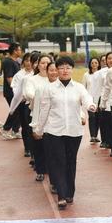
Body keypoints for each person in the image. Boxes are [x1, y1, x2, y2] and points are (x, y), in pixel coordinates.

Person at [33, 57, 95, 210]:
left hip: (74, 131)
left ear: (72, 69)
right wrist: (39, 129)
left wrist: (91, 105)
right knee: (58, 161)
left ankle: (69, 192)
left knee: (70, 161)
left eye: (68, 67)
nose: (64, 70)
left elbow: (86, 99)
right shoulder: (50, 88)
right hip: (54, 131)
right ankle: (61, 195)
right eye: (61, 68)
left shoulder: (79, 88)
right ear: (57, 70)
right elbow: (44, 110)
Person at [24, 55, 53, 181]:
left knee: (51, 145)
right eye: (42, 63)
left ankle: (51, 169)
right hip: (36, 115)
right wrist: (38, 96)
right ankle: (40, 169)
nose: (45, 65)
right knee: (38, 144)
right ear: (38, 65)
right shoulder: (32, 80)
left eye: (48, 63)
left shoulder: (54, 79)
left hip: (53, 117)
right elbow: (28, 93)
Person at [1, 42, 23, 139]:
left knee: (19, 111)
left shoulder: (16, 61)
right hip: (11, 92)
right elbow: (9, 78)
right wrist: (15, 90)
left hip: (17, 92)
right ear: (14, 51)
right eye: (19, 49)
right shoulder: (8, 62)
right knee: (14, 111)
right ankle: (5, 129)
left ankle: (15, 130)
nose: (20, 51)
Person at [82, 58, 102, 143]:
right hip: (89, 99)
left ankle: (96, 135)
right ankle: (92, 136)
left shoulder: (101, 74)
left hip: (99, 99)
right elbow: (83, 87)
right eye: (92, 63)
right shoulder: (86, 75)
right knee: (92, 117)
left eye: (96, 63)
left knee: (98, 118)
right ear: (90, 64)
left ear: (98, 64)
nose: (94, 64)